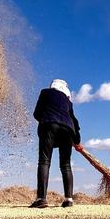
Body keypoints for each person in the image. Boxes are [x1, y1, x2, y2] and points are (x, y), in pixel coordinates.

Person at [29, 79, 83, 208]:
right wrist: (77, 142)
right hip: (68, 130)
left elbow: (36, 113)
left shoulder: (45, 92)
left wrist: (46, 120)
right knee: (66, 165)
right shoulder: (67, 101)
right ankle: (69, 200)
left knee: (44, 161)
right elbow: (74, 121)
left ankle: (41, 199)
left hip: (49, 125)